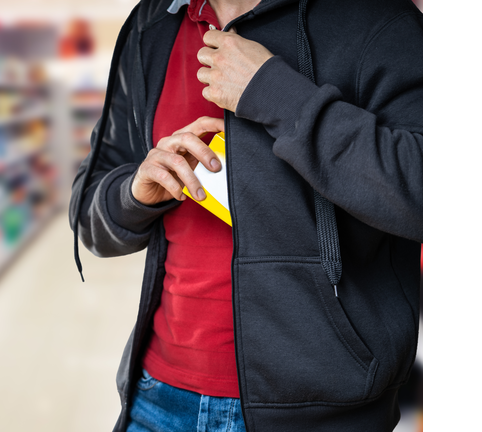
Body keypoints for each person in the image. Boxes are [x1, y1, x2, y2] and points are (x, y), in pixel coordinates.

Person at [69, 0, 422, 431]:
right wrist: (133, 194)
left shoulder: (378, 20)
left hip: (318, 410)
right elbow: (89, 219)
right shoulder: (153, 24)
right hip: (158, 397)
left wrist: (274, 93)